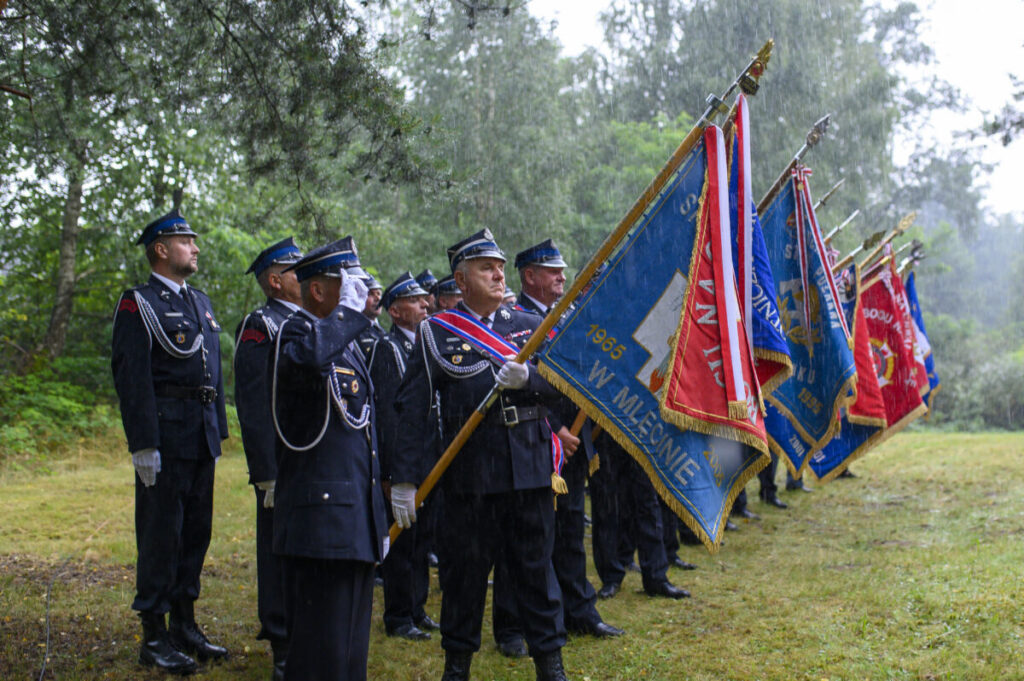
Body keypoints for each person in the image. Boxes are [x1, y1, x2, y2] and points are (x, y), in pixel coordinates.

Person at [391, 229, 570, 681]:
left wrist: (529, 378)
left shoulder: (529, 328)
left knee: (536, 576)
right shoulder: (436, 333)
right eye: (485, 267)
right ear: (461, 277)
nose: (497, 273)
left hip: (529, 474)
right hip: (470, 481)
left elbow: (564, 388)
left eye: (500, 266)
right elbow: (411, 411)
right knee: (464, 580)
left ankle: (551, 666)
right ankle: (457, 668)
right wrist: (405, 480)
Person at [111, 204, 229, 674]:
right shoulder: (137, 303)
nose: (195, 248)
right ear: (161, 250)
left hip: (200, 435)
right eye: (186, 242)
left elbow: (213, 374)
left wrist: (218, 429)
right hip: (165, 436)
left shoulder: (199, 302)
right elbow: (131, 376)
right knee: (161, 534)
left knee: (196, 533)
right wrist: (142, 443)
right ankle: (153, 634)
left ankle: (184, 621)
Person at [270, 237, 388, 681]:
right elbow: (307, 361)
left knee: (349, 652)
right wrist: (348, 317)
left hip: (351, 518)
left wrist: (374, 515)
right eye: (348, 281)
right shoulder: (295, 333)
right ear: (317, 291)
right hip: (320, 521)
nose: (361, 289)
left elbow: (362, 437)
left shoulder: (347, 340)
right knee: (322, 650)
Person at [514, 239, 624, 639]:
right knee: (533, 534)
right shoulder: (514, 318)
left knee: (572, 527)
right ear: (530, 276)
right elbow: (518, 385)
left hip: (575, 443)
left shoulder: (568, 316)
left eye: (562, 269)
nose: (562, 276)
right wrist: (556, 425)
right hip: (536, 440)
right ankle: (530, 621)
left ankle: (580, 611)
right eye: (552, 270)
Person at [234, 236, 304, 680]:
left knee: (306, 550)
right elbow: (254, 404)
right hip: (281, 461)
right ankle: (281, 640)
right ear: (275, 281)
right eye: (297, 271)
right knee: (278, 552)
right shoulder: (262, 325)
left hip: (313, 459)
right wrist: (266, 472)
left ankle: (305, 634)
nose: (307, 277)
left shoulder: (312, 320)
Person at [369, 272, 438, 641]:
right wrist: (392, 471)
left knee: (422, 539)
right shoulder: (387, 348)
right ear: (395, 312)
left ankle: (417, 608)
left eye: (423, 299)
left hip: (428, 457)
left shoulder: (424, 343)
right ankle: (398, 616)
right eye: (415, 301)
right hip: (403, 461)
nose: (425, 304)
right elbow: (388, 414)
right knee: (401, 541)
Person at [356, 274, 386, 363]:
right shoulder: (354, 331)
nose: (378, 298)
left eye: (379, 293)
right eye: (370, 294)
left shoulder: (380, 330)